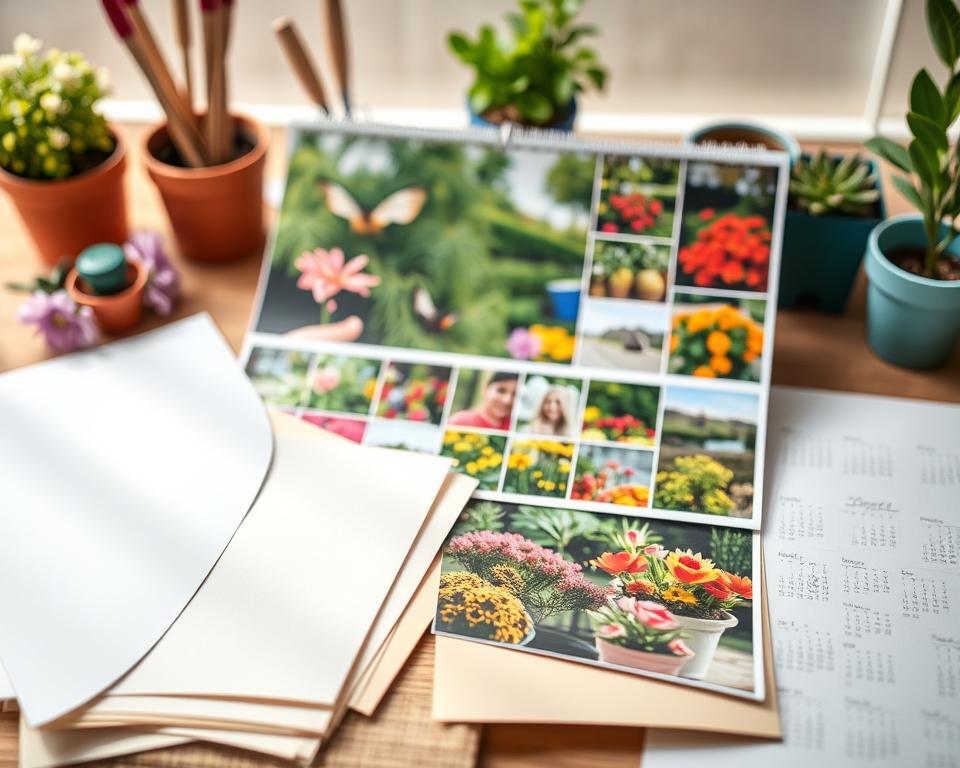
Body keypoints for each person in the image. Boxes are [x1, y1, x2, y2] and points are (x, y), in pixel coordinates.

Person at [448, 371, 518, 431]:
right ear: (486, 388)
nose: (507, 400)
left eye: (515, 394)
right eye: (501, 391)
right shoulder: (459, 422)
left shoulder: (515, 427)